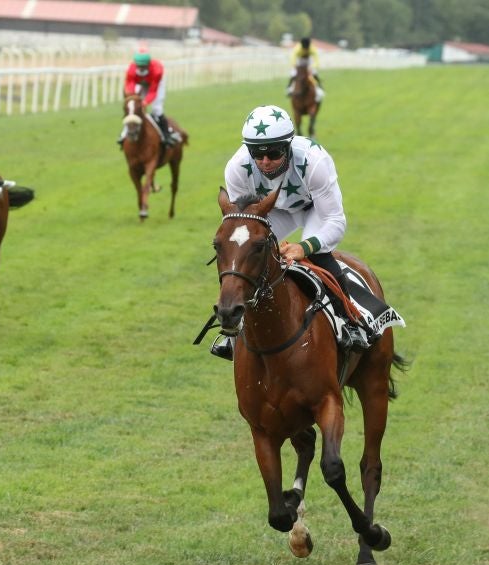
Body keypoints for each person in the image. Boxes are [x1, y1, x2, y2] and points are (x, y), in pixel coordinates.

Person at [211, 104, 377, 361]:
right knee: (243, 257)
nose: (265, 162)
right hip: (272, 212)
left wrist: (304, 247)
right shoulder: (237, 167)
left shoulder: (315, 161)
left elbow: (335, 221)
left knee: (319, 258)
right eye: (257, 153)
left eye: (274, 153)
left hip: (314, 210)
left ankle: (349, 322)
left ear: (288, 145)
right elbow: (240, 223)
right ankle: (232, 335)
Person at [118, 50, 173, 147]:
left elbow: (152, 91)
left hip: (155, 84)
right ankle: (123, 135)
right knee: (133, 109)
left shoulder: (157, 70)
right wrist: (134, 97)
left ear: (148, 64)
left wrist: (144, 102)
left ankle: (166, 135)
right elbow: (130, 84)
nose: (141, 68)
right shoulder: (131, 69)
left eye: (143, 66)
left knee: (157, 109)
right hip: (140, 83)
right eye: (139, 66)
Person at [286, 37, 324, 102]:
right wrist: (294, 65)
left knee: (314, 73)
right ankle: (289, 88)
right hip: (299, 61)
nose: (306, 49)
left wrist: (312, 67)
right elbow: (293, 57)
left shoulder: (312, 49)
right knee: (293, 73)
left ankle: (319, 89)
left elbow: (317, 61)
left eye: (307, 48)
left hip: (308, 61)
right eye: (304, 48)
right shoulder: (297, 48)